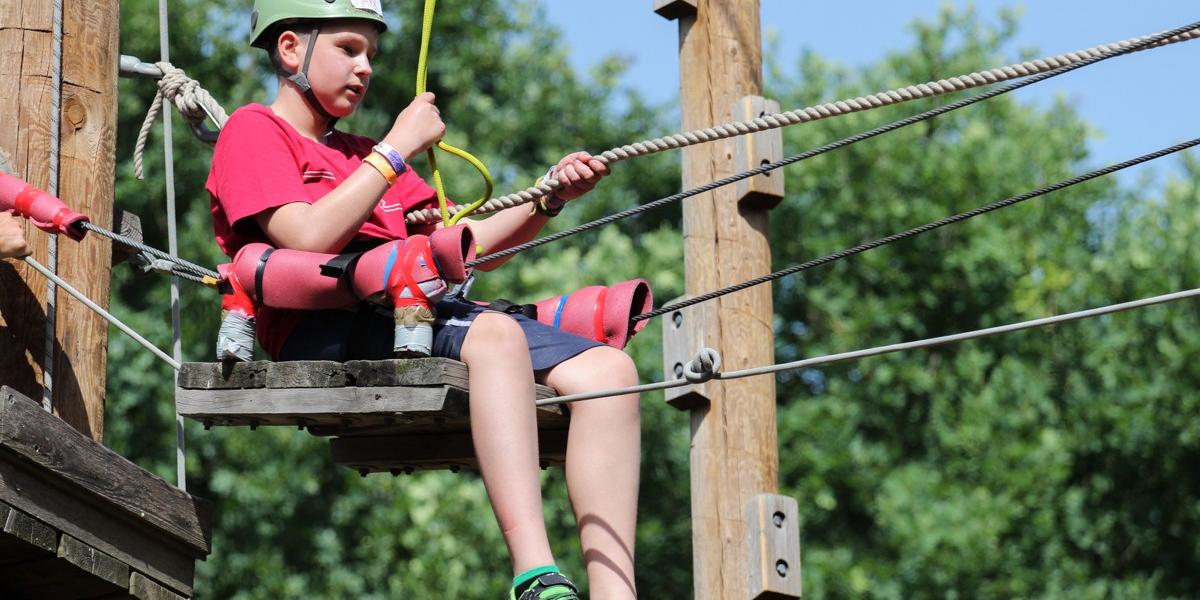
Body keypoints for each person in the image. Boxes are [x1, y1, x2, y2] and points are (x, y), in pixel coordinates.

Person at [206, 2, 640, 598]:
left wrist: (548, 198)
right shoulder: (253, 130)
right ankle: (536, 574)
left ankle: (618, 591)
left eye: (372, 57)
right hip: (326, 323)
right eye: (349, 49)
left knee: (609, 372)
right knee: (495, 337)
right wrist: (396, 149)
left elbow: (468, 247)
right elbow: (305, 236)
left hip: (418, 311)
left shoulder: (360, 153)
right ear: (289, 49)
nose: (365, 69)